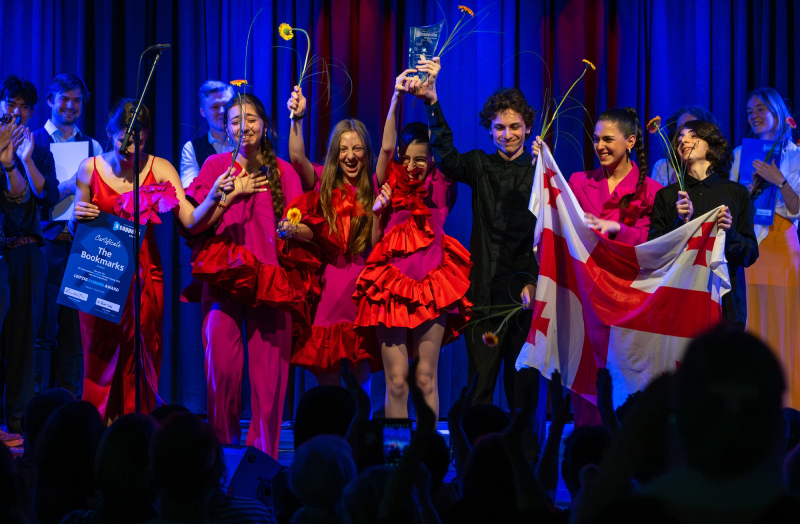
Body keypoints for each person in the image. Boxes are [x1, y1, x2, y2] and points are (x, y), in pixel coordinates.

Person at [71, 98, 234, 423]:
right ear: (110, 133)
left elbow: (190, 221)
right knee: (98, 353)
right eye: (124, 140)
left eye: (140, 141)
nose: (131, 148)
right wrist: (77, 217)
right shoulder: (89, 168)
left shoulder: (159, 168)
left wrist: (217, 195)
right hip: (99, 269)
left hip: (144, 274)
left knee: (142, 351)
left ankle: (137, 431)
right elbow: (77, 225)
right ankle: (97, 432)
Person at [413, 55, 546, 420]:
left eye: (515, 127)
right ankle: (475, 451)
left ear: (528, 128)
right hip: (483, 300)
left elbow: (550, 238)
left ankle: (524, 453)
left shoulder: (540, 172)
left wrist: (534, 283)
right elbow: (447, 158)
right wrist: (433, 101)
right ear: (490, 130)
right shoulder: (479, 165)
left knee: (522, 394)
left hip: (524, 299)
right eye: (500, 127)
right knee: (480, 389)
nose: (508, 134)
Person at [184, 93, 306, 457]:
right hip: (225, 278)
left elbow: (302, 227)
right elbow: (194, 226)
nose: (244, 127)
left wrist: (293, 230)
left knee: (269, 383)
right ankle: (222, 455)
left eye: (251, 119)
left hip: (270, 284)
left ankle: (262, 463)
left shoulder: (283, 172)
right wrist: (229, 196)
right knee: (221, 370)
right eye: (236, 121)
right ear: (226, 127)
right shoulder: (215, 167)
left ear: (265, 125)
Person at [352, 68, 471, 420]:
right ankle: (396, 451)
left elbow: (444, 145)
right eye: (407, 158)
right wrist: (396, 97)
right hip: (390, 289)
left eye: (421, 158)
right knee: (397, 382)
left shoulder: (442, 182)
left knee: (424, 378)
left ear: (431, 159)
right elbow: (386, 147)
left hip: (432, 287)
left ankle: (428, 452)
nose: (413, 165)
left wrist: (432, 100)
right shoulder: (388, 182)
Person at [534, 107, 662, 426]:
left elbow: (653, 243)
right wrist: (541, 166)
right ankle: (586, 451)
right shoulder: (579, 182)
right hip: (585, 300)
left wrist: (617, 228)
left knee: (624, 387)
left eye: (608, 139)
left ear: (630, 141)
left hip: (626, 301)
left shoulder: (651, 191)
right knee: (587, 385)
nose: (599, 146)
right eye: (596, 139)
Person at [282, 86, 379, 388]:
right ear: (334, 153)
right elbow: (296, 157)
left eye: (357, 149)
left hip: (363, 287)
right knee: (327, 375)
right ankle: (329, 418)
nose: (350, 156)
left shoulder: (375, 187)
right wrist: (298, 118)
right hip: (328, 287)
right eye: (343, 149)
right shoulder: (323, 181)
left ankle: (361, 418)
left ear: (367, 152)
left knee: (361, 374)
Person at [648, 120, 758, 330]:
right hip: (677, 301)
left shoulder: (736, 193)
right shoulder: (667, 196)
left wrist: (728, 232)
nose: (683, 140)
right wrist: (679, 223)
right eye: (680, 137)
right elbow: (654, 254)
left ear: (712, 144)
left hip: (725, 306)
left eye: (693, 135)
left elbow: (750, 253)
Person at [32, 73, 103, 397]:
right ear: (50, 101)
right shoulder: (32, 142)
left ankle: (70, 406)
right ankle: (38, 404)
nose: (71, 106)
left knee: (75, 333)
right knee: (42, 330)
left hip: (80, 245)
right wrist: (67, 185)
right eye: (64, 99)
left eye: (77, 100)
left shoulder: (93, 147)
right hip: (45, 245)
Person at [731, 87, 800, 409]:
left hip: (783, 248)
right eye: (749, 111)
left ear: (777, 112)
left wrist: (779, 180)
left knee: (786, 325)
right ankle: (755, 406)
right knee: (754, 326)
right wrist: (743, 193)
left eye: (760, 109)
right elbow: (731, 207)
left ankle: (790, 407)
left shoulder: (795, 155)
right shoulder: (741, 155)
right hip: (752, 247)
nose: (754, 116)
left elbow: (796, 208)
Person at [0, 75, 59, 435]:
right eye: (11, 104)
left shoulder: (39, 152)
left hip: (27, 252)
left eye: (24, 107)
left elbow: (49, 198)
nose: (17, 112)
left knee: (24, 343)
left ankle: (19, 424)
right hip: (1, 254)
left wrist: (23, 160)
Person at [179, 80, 234, 188]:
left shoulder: (246, 141)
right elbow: (190, 190)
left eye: (226, 105)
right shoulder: (192, 148)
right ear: (202, 112)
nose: (222, 111)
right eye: (214, 107)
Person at [650, 105, 720, 187]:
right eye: (680, 131)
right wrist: (670, 190)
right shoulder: (662, 167)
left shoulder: (720, 169)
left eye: (692, 131)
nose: (684, 139)